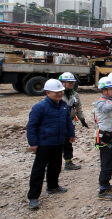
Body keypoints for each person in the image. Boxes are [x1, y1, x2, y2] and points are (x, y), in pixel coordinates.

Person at [26, 79, 76, 209]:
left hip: (58, 141)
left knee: (56, 165)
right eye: (56, 92)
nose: (59, 94)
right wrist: (33, 143)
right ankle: (33, 197)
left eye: (61, 92)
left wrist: (71, 134)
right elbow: (31, 126)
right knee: (39, 169)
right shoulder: (40, 107)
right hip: (44, 143)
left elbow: (68, 122)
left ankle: (53, 186)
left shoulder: (63, 105)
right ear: (47, 93)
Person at [59, 72, 88, 170]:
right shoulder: (58, 94)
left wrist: (82, 119)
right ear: (62, 83)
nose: (72, 84)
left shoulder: (75, 95)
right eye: (69, 82)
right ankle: (50, 163)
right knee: (56, 144)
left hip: (70, 123)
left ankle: (68, 162)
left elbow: (78, 108)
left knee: (68, 143)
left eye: (72, 82)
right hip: (59, 123)